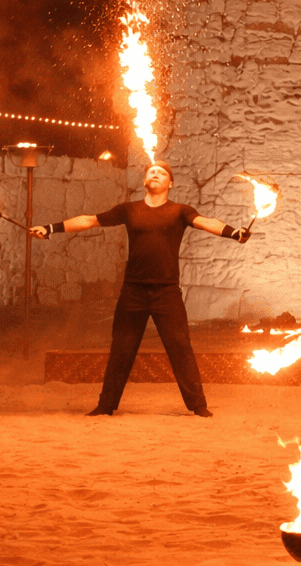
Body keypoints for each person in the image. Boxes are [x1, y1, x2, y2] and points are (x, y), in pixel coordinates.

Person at [31, 161, 251, 418]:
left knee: (180, 347)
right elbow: (90, 220)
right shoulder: (129, 210)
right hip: (133, 291)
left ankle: (198, 405)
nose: (155, 174)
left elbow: (205, 222)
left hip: (167, 292)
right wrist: (50, 228)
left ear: (170, 183)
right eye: (151, 172)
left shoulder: (180, 211)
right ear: (145, 181)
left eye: (161, 172)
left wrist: (233, 233)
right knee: (121, 349)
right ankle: (106, 405)